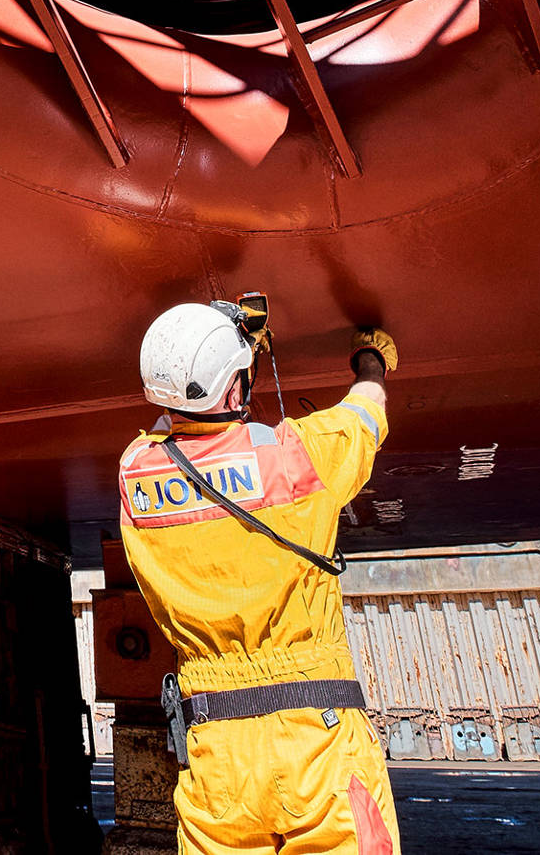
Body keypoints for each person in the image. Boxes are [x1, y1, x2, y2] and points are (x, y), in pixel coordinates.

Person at [117, 298, 400, 854]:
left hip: (215, 754)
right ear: (231, 387)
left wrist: (226, 359)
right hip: (313, 740)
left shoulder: (136, 476)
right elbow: (366, 413)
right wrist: (372, 358)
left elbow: (167, 428)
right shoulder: (298, 458)